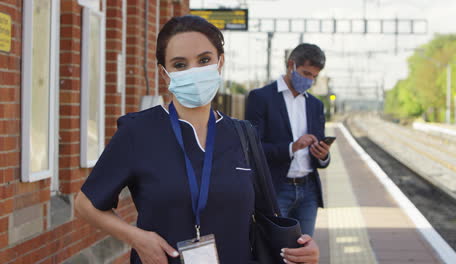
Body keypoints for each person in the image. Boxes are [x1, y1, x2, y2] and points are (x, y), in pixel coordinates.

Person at [74, 15, 319, 264]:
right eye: (180, 65)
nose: (194, 72)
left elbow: (268, 217)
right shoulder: (138, 131)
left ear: (220, 62)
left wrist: (301, 250)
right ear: (164, 73)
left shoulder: (243, 134)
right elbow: (85, 204)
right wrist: (137, 238)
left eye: (204, 60)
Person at [245, 43, 331, 237]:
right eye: (306, 73)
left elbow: (321, 158)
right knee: (275, 250)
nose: (310, 80)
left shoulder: (315, 105)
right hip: (276, 188)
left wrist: (323, 155)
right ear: (291, 65)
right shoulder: (261, 98)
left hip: (309, 190)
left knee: (303, 251)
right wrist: (292, 147)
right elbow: (252, 149)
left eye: (314, 77)